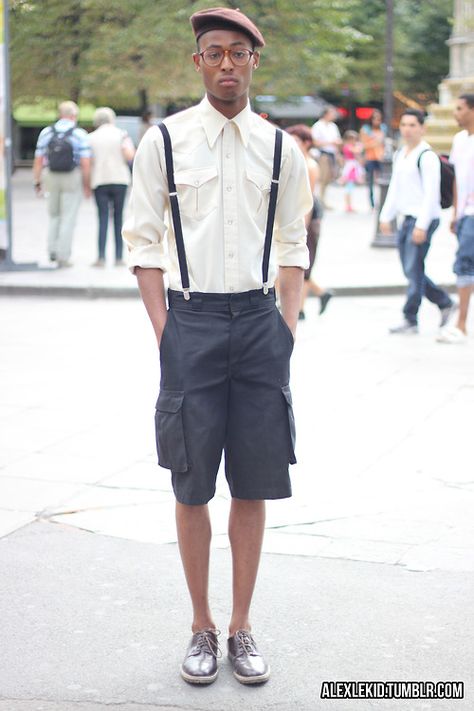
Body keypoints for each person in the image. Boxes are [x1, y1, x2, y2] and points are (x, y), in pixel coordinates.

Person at [122, 6, 312, 686]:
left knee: (254, 482)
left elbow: (294, 243)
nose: (227, 62)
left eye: (238, 52)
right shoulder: (164, 142)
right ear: (198, 62)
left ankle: (241, 626)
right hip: (191, 320)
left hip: (261, 323)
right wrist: (165, 329)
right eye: (214, 52)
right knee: (192, 479)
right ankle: (201, 624)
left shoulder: (283, 149)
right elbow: (142, 242)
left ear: (255, 61)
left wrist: (286, 327)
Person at [379, 109, 455, 334]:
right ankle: (444, 302)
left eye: (413, 125)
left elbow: (431, 194)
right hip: (407, 218)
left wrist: (422, 226)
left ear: (422, 128)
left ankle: (410, 317)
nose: (407, 129)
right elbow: (395, 187)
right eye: (404, 124)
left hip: (423, 220)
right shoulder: (401, 153)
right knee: (411, 270)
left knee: (413, 270)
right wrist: (386, 215)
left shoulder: (427, 156)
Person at [33, 101, 91, 267]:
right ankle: (63, 256)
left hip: (50, 176)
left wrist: (37, 181)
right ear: (74, 116)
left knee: (54, 215)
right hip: (71, 177)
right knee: (68, 216)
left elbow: (38, 160)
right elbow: (85, 162)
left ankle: (51, 250)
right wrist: (87, 184)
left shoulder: (46, 132)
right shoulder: (79, 134)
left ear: (60, 114)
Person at [437, 94, 474, 344]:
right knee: (464, 264)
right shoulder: (459, 140)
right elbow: (458, 179)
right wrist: (455, 213)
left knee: (464, 263)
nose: (455, 113)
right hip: (465, 213)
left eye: (460, 108)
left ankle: (461, 324)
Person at [286, 124, 333, 318]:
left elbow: (308, 200)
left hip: (308, 218)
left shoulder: (309, 165)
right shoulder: (295, 161)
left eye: (296, 140)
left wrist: (302, 226)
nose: (292, 143)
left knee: (303, 263)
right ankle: (321, 294)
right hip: (296, 216)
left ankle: (301, 308)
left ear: (306, 143)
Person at [87, 107, 136, 267]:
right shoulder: (122, 134)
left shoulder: (91, 137)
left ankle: (100, 257)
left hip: (99, 179)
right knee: (118, 218)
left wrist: (86, 184)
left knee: (102, 218)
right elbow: (130, 155)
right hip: (120, 179)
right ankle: (118, 257)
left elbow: (88, 162)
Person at [311, 106, 341, 208]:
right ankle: (320, 201)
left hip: (332, 154)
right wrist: (330, 142)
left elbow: (338, 141)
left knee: (329, 178)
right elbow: (315, 142)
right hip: (323, 154)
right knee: (323, 178)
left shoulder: (333, 126)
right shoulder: (318, 126)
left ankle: (323, 199)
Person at [360, 109, 386, 209]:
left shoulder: (383, 129)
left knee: (383, 181)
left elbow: (383, 143)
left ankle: (382, 202)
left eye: (379, 119)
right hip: (370, 158)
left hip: (380, 157)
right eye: (375, 119)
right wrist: (375, 143)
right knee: (370, 182)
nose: (377, 121)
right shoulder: (366, 129)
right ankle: (372, 204)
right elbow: (364, 145)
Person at [339, 130, 364, 213]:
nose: (354, 141)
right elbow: (357, 151)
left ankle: (349, 205)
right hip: (350, 168)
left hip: (352, 167)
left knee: (350, 188)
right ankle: (348, 206)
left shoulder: (349, 146)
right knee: (348, 188)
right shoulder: (348, 147)